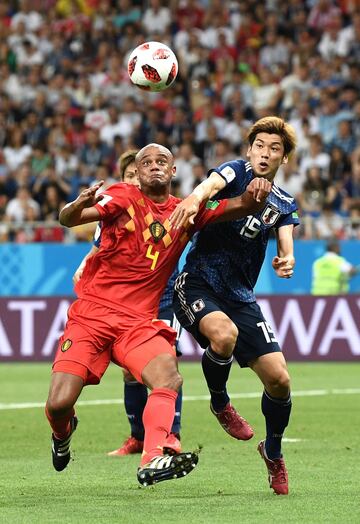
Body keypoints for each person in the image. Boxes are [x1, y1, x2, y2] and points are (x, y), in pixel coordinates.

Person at [45, 142, 271, 487]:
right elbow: (69, 219)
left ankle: (153, 457)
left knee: (168, 377)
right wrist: (77, 206)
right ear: (137, 171)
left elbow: (239, 206)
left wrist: (256, 188)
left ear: (173, 171)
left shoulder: (187, 212)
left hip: (137, 323)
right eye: (146, 162)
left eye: (161, 161)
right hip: (92, 316)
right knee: (59, 404)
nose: (153, 166)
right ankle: (62, 432)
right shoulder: (123, 197)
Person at [171, 116, 299, 495]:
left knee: (280, 380)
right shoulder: (234, 171)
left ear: (284, 159)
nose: (265, 153)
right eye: (260, 145)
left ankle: (272, 452)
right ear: (249, 149)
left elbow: (286, 244)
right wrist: (193, 200)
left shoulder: (284, 203)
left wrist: (287, 260)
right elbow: (210, 186)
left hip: (241, 295)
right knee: (223, 336)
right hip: (197, 282)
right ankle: (220, 403)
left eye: (275, 149)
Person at [73, 149, 182, 456]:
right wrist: (84, 263)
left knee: (166, 364)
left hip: (163, 295)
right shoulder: (116, 209)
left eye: (142, 173)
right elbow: (100, 247)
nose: (138, 179)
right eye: (133, 175)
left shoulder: (172, 209)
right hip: (124, 305)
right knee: (129, 372)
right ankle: (137, 436)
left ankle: (170, 435)